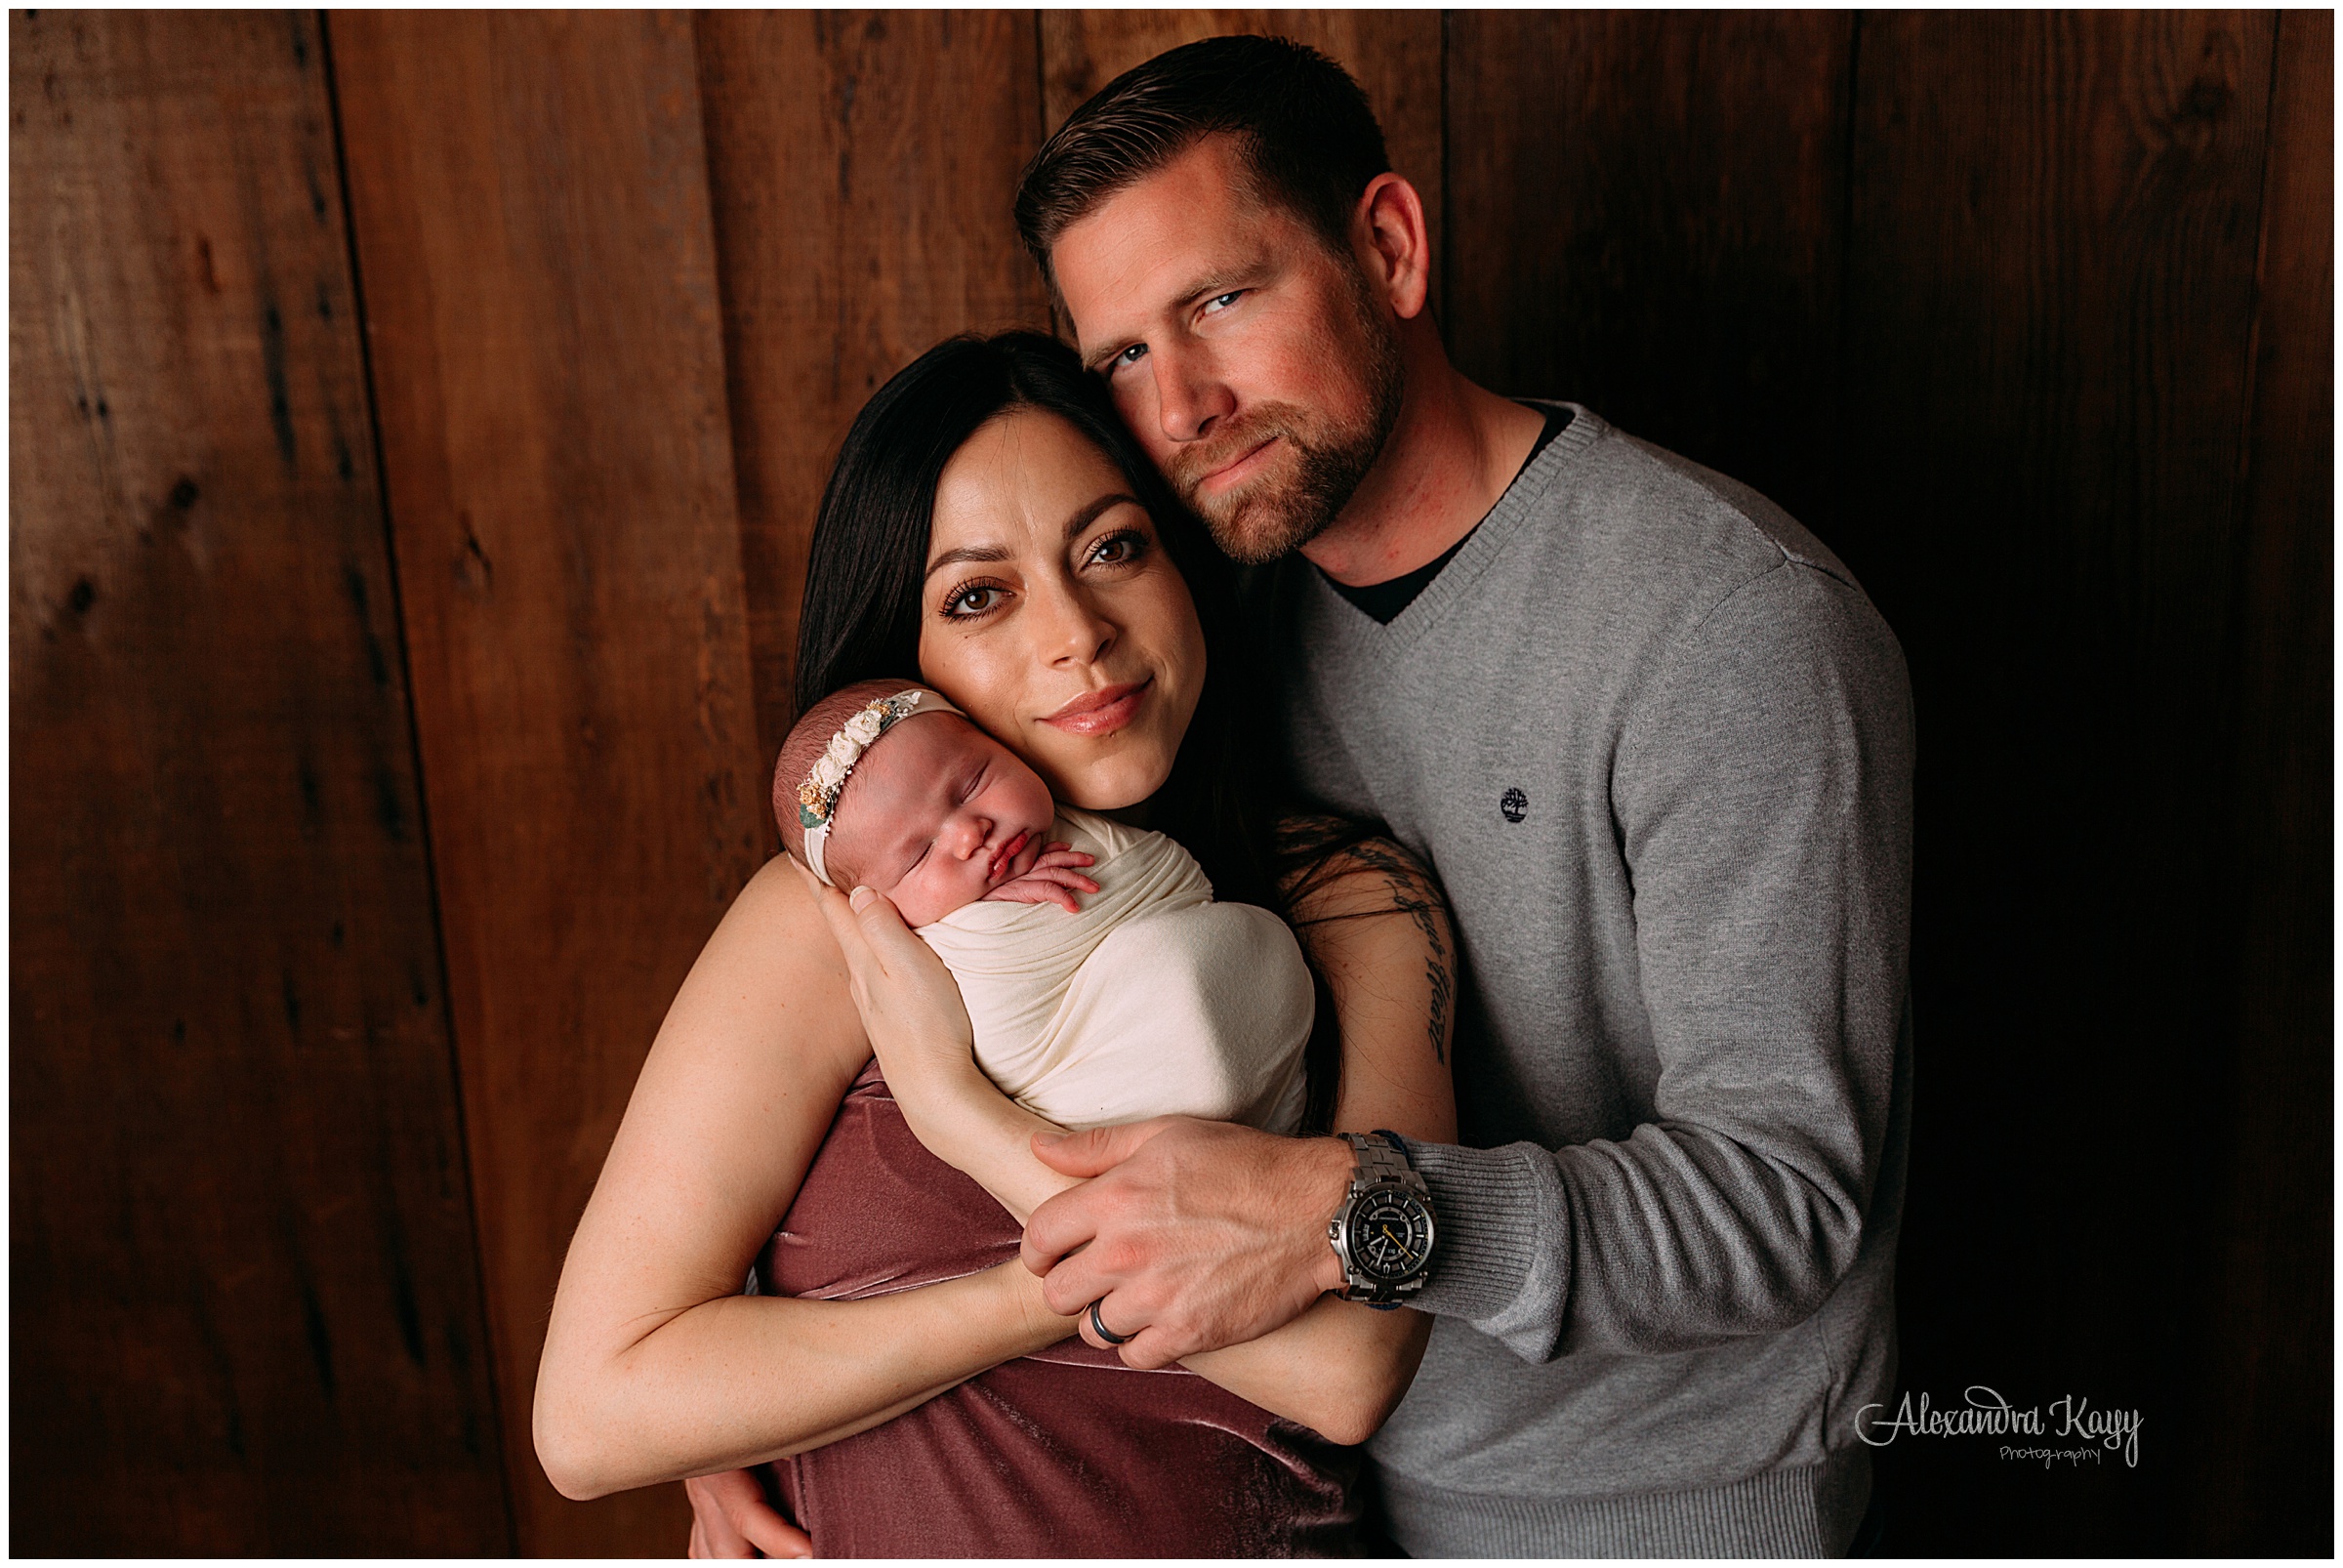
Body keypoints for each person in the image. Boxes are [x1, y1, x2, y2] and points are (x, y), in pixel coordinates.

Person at [756, 34, 1904, 1557]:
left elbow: (1784, 1195)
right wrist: (757, 1406)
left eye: (1220, 302)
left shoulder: (1724, 624)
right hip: (1333, 1500)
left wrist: (1345, 1212)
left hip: (1662, 1511)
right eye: (1123, 356)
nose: (1180, 405)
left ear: (1390, 248)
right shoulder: (1193, 632)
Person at [534, 331, 1459, 1557]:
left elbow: (1348, 1369)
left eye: (1114, 547)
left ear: (1184, 559)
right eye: (978, 595)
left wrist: (963, 1118)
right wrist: (1038, 1293)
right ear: (901, 673)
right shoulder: (842, 926)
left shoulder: (1353, 897)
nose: (1077, 633)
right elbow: (593, 1418)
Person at [770, 676, 1315, 1132]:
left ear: (1002, 745)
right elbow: (995, 1037)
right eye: (919, 854)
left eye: (971, 784)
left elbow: (1176, 878)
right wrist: (993, 916)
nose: (969, 834)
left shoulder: (1082, 822)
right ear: (870, 902)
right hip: (1098, 1103)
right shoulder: (919, 948)